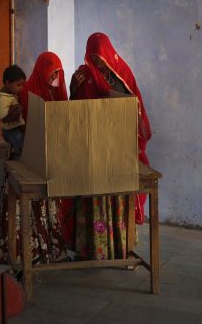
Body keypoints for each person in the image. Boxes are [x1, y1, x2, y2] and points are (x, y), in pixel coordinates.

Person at [68, 32, 152, 260]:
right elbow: (74, 108)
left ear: (108, 52)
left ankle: (118, 247)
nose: (96, 61)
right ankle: (91, 250)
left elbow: (134, 108)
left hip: (117, 148)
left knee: (115, 196)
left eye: (99, 56)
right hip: (92, 147)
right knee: (92, 195)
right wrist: (74, 89)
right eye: (92, 56)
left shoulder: (122, 73)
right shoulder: (83, 75)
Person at [0, 52, 69, 265]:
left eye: (57, 73)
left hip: (46, 157)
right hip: (25, 160)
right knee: (22, 206)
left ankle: (49, 250)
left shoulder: (55, 92)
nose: (53, 77)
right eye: (51, 72)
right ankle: (23, 252)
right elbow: (18, 123)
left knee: (46, 205)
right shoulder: (26, 93)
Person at [0, 65, 27, 159]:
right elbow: (1, 116)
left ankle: (14, 150)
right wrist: (13, 112)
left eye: (22, 85)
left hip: (14, 129)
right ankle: (14, 153)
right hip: (10, 131)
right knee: (24, 145)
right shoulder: (3, 99)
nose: (21, 88)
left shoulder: (11, 94)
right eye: (18, 85)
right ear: (8, 83)